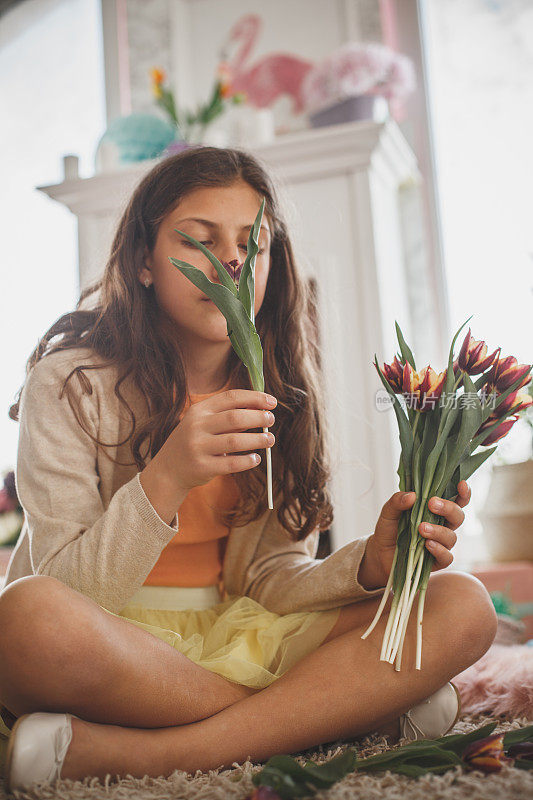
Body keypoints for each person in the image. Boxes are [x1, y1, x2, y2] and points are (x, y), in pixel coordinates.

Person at [0, 147, 497, 789]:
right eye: (199, 239)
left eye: (252, 244)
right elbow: (66, 589)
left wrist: (370, 563)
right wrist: (167, 477)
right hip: (115, 642)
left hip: (244, 628)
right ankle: (333, 715)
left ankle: (144, 755)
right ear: (144, 263)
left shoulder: (282, 390)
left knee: (464, 606)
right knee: (26, 618)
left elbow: (270, 576)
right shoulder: (69, 382)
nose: (232, 261)